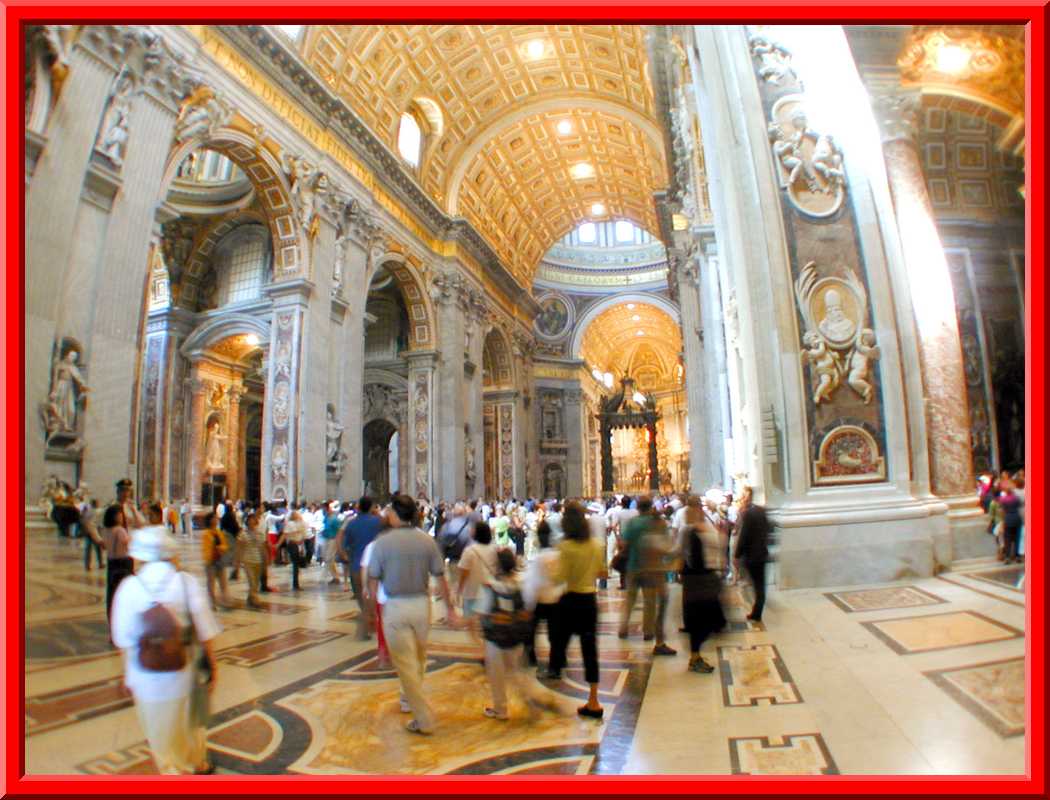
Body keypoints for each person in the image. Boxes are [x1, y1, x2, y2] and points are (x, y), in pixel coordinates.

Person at [110, 525, 221, 774]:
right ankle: (197, 763)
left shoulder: (129, 588)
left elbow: (123, 640)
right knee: (190, 722)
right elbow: (205, 630)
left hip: (144, 676)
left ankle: (172, 770)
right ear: (170, 554)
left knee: (159, 731)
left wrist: (127, 675)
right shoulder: (185, 583)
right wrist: (212, 666)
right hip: (184, 671)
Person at [366, 494, 459, 735]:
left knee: (406, 664)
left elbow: (372, 579)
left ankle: (423, 717)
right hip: (421, 605)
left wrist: (377, 607)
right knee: (418, 659)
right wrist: (449, 608)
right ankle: (410, 701)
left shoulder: (382, 543)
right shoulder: (426, 541)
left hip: (395, 606)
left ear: (396, 515)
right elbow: (440, 578)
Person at [479, 548, 564, 720]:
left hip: (495, 640)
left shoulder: (491, 587)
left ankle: (500, 710)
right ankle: (531, 704)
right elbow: (526, 610)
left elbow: (483, 613)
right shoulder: (519, 586)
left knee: (497, 678)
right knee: (518, 673)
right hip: (515, 638)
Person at [546, 501, 607, 719]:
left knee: (558, 639)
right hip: (590, 601)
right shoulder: (597, 544)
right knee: (590, 650)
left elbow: (559, 577)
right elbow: (603, 573)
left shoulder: (565, 547)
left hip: (570, 599)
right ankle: (593, 700)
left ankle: (553, 671)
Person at [618, 496, 677, 656]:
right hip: (650, 568)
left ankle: (623, 628)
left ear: (637, 507)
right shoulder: (656, 523)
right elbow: (666, 543)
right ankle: (648, 631)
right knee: (649, 601)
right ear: (651, 506)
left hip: (633, 566)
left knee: (629, 599)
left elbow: (624, 543)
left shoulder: (633, 523)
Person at [679, 501, 726, 673]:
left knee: (710, 621)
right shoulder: (690, 531)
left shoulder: (702, 528)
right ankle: (695, 656)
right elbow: (682, 553)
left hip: (704, 580)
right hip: (698, 581)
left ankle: (695, 655)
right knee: (704, 621)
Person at [339, 496, 383, 639]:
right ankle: (367, 627)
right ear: (371, 507)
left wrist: (343, 554)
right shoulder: (378, 522)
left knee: (362, 598)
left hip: (356, 565)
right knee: (376, 598)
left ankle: (366, 626)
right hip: (375, 565)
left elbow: (342, 541)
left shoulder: (351, 524)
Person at [523, 520, 564, 668]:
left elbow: (533, 584)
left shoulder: (538, 558)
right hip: (557, 599)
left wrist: (528, 604)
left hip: (540, 600)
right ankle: (556, 664)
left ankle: (531, 658)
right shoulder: (558, 555)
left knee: (531, 632)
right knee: (556, 635)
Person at [734, 486, 772, 622]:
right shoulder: (762, 511)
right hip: (762, 553)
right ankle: (757, 610)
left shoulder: (748, 514)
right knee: (760, 584)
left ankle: (756, 612)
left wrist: (737, 554)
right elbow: (768, 529)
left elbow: (744, 536)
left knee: (755, 584)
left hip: (751, 555)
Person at [456, 521, 500, 623]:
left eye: (473, 529)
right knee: (487, 625)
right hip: (489, 590)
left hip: (472, 592)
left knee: (471, 625)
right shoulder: (495, 549)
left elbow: (464, 573)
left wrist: (459, 591)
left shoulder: (469, 551)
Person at [101, 504, 133, 623]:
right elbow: (128, 544)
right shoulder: (120, 530)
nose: (121, 517)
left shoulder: (105, 530)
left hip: (111, 562)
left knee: (112, 592)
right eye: (119, 515)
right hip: (123, 562)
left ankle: (111, 619)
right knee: (124, 593)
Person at [233, 512, 268, 609]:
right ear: (247, 522)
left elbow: (263, 548)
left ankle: (250, 599)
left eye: (254, 520)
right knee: (252, 582)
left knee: (256, 583)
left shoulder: (260, 534)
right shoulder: (243, 534)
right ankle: (255, 600)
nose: (252, 522)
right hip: (247, 561)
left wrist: (266, 560)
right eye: (250, 520)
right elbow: (239, 549)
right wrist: (237, 563)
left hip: (258, 560)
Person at [201, 512, 230, 610]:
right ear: (210, 520)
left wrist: (221, 548)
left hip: (220, 560)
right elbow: (206, 548)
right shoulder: (206, 533)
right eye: (214, 518)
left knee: (223, 582)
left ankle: (224, 601)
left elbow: (225, 545)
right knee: (211, 583)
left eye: (216, 518)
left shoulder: (219, 532)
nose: (216, 520)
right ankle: (211, 603)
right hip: (210, 561)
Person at [275, 510, 308, 591]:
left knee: (296, 565)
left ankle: (296, 583)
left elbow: (303, 535)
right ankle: (295, 584)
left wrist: (302, 546)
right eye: (296, 514)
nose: (298, 515)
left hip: (298, 545)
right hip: (292, 545)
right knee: (295, 565)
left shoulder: (301, 523)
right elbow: (285, 535)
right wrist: (278, 544)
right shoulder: (290, 524)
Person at [997, 478, 1024, 565]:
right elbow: (1019, 506)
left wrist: (1002, 521)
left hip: (1008, 519)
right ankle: (1017, 556)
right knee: (1017, 538)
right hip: (1017, 518)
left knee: (1007, 539)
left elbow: (1002, 511)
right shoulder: (1016, 498)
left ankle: (1008, 557)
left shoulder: (1003, 499)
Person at [320, 504, 343, 585]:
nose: (324, 511)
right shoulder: (326, 518)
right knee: (327, 558)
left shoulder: (335, 519)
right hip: (326, 538)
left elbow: (340, 530)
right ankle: (335, 576)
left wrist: (339, 540)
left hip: (333, 539)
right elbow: (324, 526)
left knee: (329, 558)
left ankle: (335, 577)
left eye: (325, 510)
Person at [81, 499, 104, 570]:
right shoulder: (100, 511)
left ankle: (87, 565)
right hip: (97, 530)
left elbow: (83, 520)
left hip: (88, 531)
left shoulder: (88, 512)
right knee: (98, 548)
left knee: (88, 549)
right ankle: (100, 563)